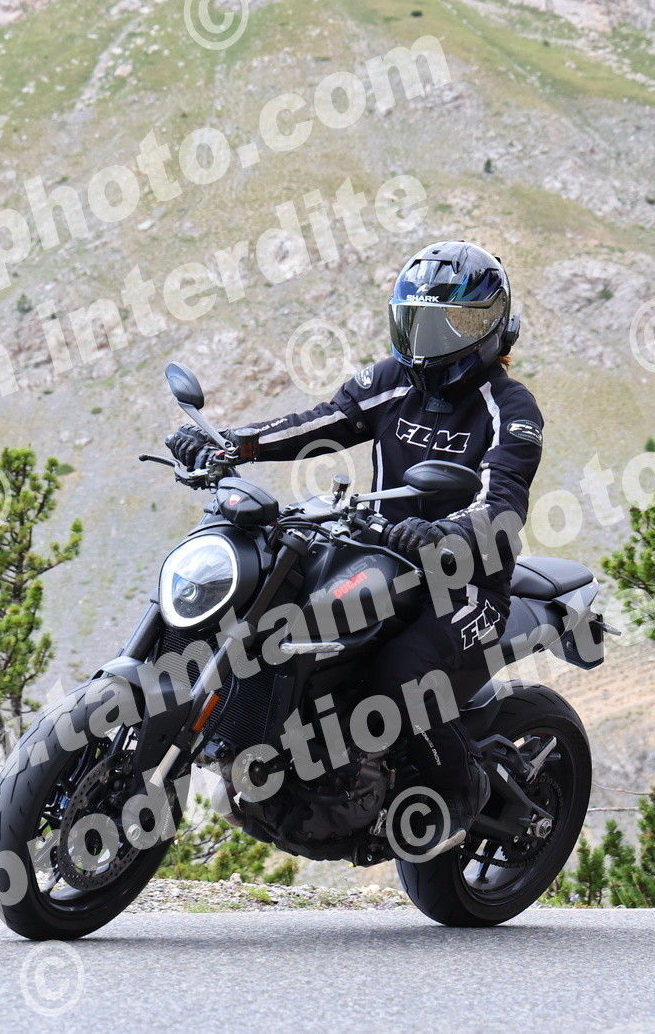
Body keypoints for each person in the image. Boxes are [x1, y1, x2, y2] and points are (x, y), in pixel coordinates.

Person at [165, 241, 544, 852]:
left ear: (489, 326)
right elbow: (321, 421)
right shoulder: (392, 380)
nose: (430, 339)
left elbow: (501, 504)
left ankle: (456, 795)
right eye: (418, 321)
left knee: (399, 676)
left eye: (451, 324)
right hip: (382, 556)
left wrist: (446, 532)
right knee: (279, 608)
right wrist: (233, 444)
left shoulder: (510, 407)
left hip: (466, 583)